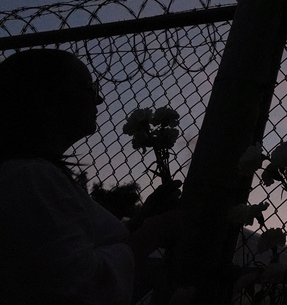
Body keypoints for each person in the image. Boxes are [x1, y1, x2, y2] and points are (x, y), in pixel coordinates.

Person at [0, 48, 179, 305]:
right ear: (46, 98)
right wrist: (154, 233)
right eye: (89, 89)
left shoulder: (29, 176)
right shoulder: (31, 179)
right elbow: (79, 288)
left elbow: (64, 250)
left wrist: (140, 221)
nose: (99, 100)